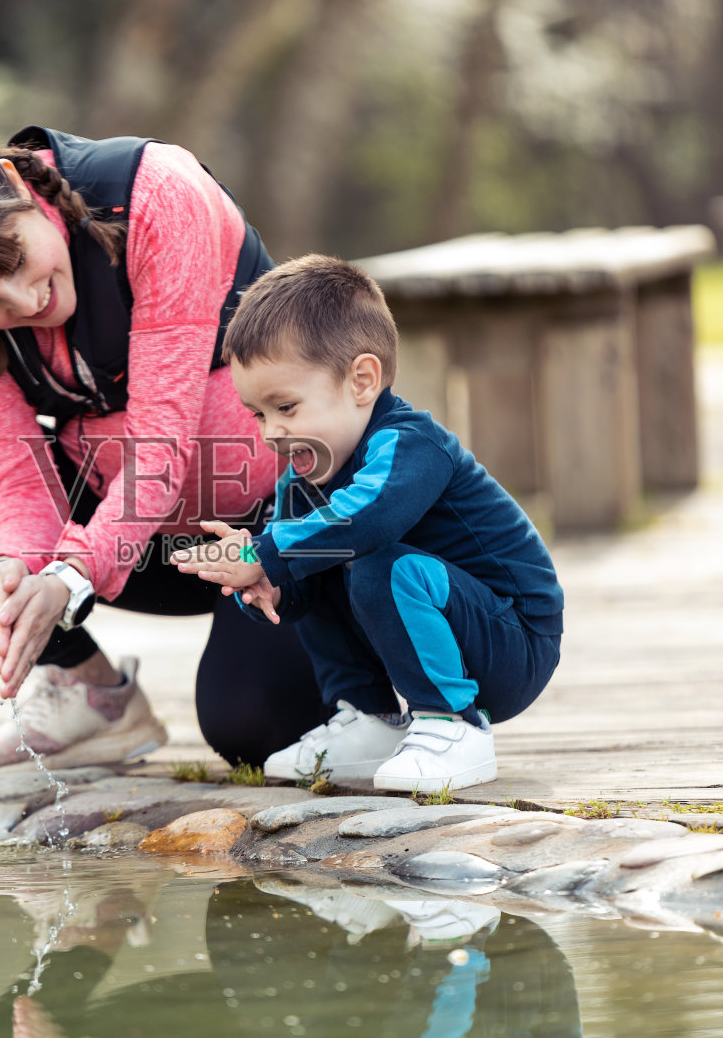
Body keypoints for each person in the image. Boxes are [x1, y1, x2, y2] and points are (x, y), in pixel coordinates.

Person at [0, 126, 331, 774]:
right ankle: (88, 693)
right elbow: (14, 473)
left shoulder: (157, 198)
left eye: (13, 261)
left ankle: (374, 623)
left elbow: (160, 441)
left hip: (286, 520)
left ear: (15, 186)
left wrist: (68, 575)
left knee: (255, 729)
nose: (23, 301)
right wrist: (14, 564)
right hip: (150, 542)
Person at [172, 255, 565, 792]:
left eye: (285, 406)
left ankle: (454, 726)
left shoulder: (411, 445)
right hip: (433, 619)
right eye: (258, 414)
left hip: (511, 640)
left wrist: (263, 553)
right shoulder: (301, 483)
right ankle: (371, 721)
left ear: (361, 380)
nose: (270, 432)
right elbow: (305, 589)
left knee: (371, 558)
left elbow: (365, 520)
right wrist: (265, 585)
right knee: (312, 560)